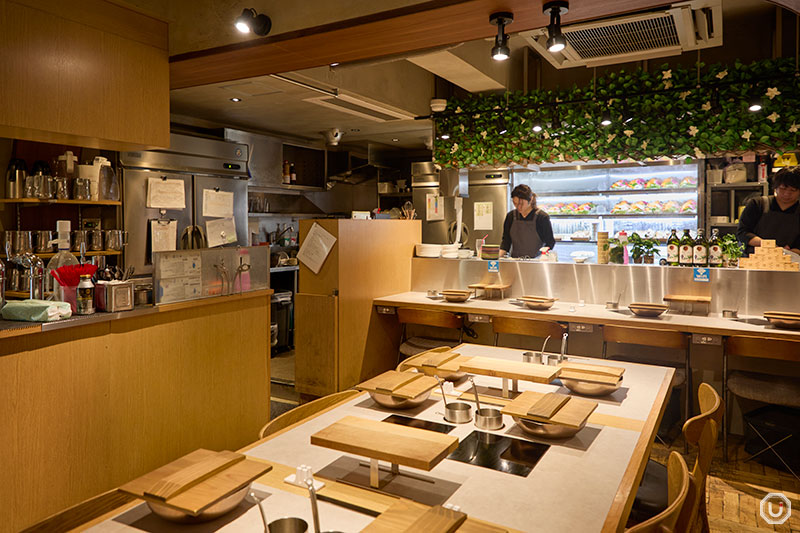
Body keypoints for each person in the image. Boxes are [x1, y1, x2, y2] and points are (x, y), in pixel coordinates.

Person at [737, 167, 800, 256]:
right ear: (775, 187)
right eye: (783, 188)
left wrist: (787, 252)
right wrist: (769, 246)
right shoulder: (757, 204)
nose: (787, 194)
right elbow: (743, 233)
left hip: (788, 263)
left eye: (793, 190)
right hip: (755, 261)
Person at [499, 184, 556, 258]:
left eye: (521, 203)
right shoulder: (510, 216)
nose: (518, 207)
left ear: (531, 199)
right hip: (515, 262)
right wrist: (498, 256)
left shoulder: (542, 218)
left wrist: (543, 257)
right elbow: (506, 241)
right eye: (515, 203)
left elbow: (550, 242)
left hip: (536, 263)